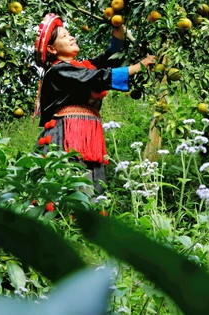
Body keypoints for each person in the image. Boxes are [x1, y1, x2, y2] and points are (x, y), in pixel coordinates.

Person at [33, 13, 155, 194]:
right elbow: (97, 77)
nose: (72, 37)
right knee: (73, 186)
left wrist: (118, 25)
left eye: (69, 33)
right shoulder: (58, 71)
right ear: (51, 49)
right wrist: (139, 66)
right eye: (64, 36)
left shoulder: (81, 67)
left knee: (95, 188)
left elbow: (108, 57)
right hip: (66, 135)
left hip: (87, 134)